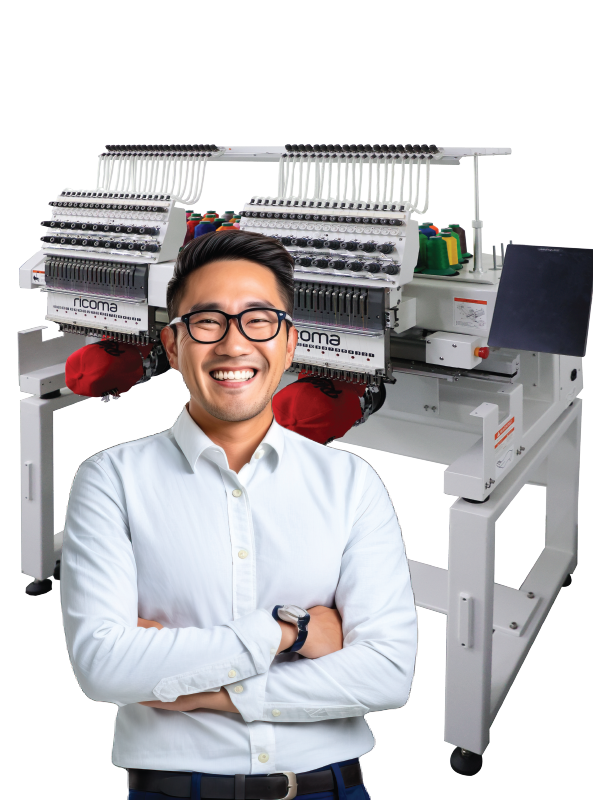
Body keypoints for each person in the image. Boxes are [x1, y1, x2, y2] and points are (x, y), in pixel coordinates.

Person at [60, 229, 418, 800]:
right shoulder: (113, 481)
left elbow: (386, 675)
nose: (233, 345)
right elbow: (105, 668)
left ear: (290, 343)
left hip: (330, 789)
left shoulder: (351, 485)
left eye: (258, 319)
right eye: (207, 322)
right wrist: (290, 631)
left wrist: (200, 688)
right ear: (173, 345)